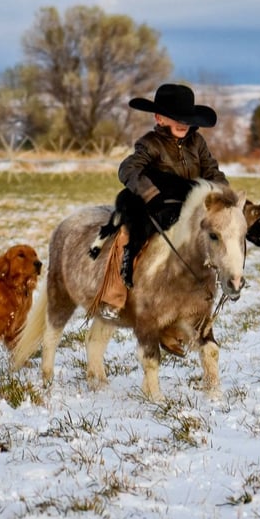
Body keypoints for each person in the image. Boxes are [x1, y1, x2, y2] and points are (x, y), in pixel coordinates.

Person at [95, 83, 230, 334]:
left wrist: (223, 196)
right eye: (176, 118)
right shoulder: (150, 143)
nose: (183, 123)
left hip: (190, 208)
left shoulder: (197, 143)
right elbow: (129, 169)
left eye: (187, 119)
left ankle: (203, 295)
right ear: (159, 118)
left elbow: (212, 172)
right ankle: (114, 296)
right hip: (156, 207)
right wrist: (150, 193)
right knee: (127, 236)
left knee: (220, 239)